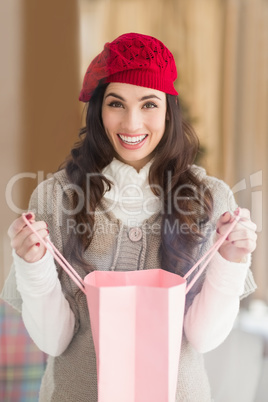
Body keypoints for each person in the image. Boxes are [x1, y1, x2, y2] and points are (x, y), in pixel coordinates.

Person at [1, 33, 257, 401]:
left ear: (169, 110)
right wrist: (33, 265)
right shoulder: (56, 197)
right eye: (116, 103)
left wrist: (231, 262)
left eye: (148, 104)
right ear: (98, 110)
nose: (132, 123)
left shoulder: (210, 198)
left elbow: (203, 337)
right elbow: (53, 341)